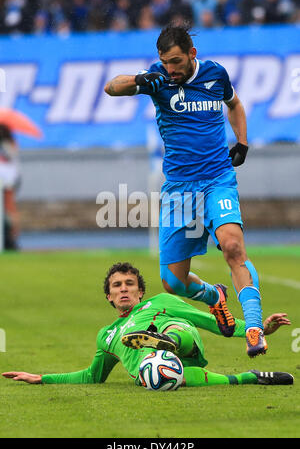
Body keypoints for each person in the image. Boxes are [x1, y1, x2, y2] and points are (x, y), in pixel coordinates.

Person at [104, 25, 267, 358]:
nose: (170, 69)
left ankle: (253, 327)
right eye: (164, 62)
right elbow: (111, 87)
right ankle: (214, 297)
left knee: (233, 246)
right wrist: (140, 81)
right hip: (179, 189)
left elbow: (234, 105)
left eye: (176, 61)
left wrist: (243, 142)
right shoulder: (158, 79)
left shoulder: (214, 75)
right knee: (173, 283)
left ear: (192, 54)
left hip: (217, 178)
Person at [2, 263, 293, 388]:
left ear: (141, 292)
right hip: (156, 371)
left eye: (130, 284)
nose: (124, 289)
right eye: (117, 285)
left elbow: (215, 323)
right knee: (167, 377)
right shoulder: (107, 335)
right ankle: (251, 377)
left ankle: (165, 341)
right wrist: (42, 378)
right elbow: (92, 377)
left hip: (185, 342)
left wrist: (260, 330)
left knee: (175, 332)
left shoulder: (162, 300)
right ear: (109, 296)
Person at [0, 124, 21, 250]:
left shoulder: (10, 143)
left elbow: (12, 155)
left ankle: (12, 238)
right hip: (7, 176)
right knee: (8, 208)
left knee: (9, 207)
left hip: (8, 178)